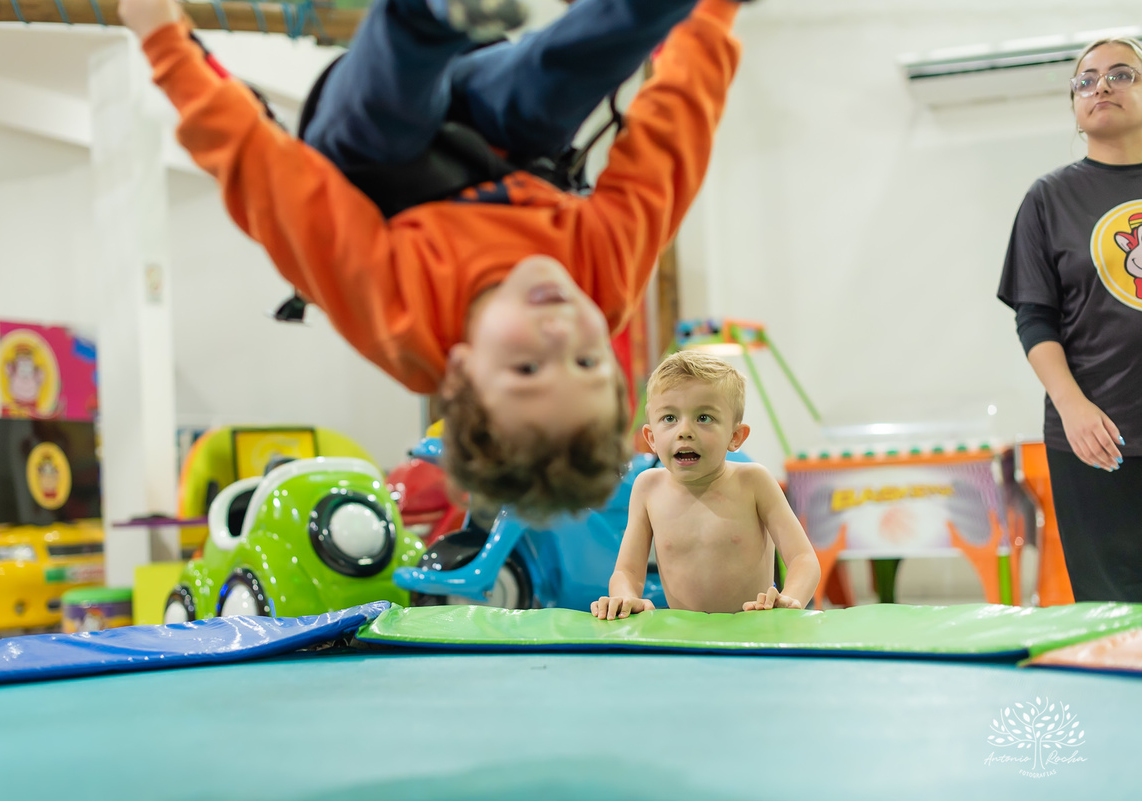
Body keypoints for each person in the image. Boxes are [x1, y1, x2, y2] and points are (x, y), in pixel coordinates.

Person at [118, 0, 745, 519]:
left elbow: (265, 177)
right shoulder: (601, 281)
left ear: (461, 372)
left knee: (380, 119)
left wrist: (165, 42)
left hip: (372, 167)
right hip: (501, 135)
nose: (561, 332)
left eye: (528, 366)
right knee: (563, 72)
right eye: (586, 360)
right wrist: (712, 15)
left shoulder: (399, 317)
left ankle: (428, 13)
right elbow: (670, 142)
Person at [998, 37, 1142, 602]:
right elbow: (1035, 320)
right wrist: (1073, 407)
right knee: (1113, 610)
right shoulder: (1048, 199)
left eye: (1121, 74)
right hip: (1094, 438)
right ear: (1076, 109)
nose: (1101, 86)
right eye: (1086, 80)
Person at [591, 352, 819, 618]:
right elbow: (626, 572)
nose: (684, 430)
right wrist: (625, 596)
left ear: (735, 436)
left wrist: (790, 599)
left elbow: (803, 558)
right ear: (651, 438)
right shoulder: (647, 487)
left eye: (704, 418)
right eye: (669, 418)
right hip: (686, 640)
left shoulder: (753, 482)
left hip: (752, 633)